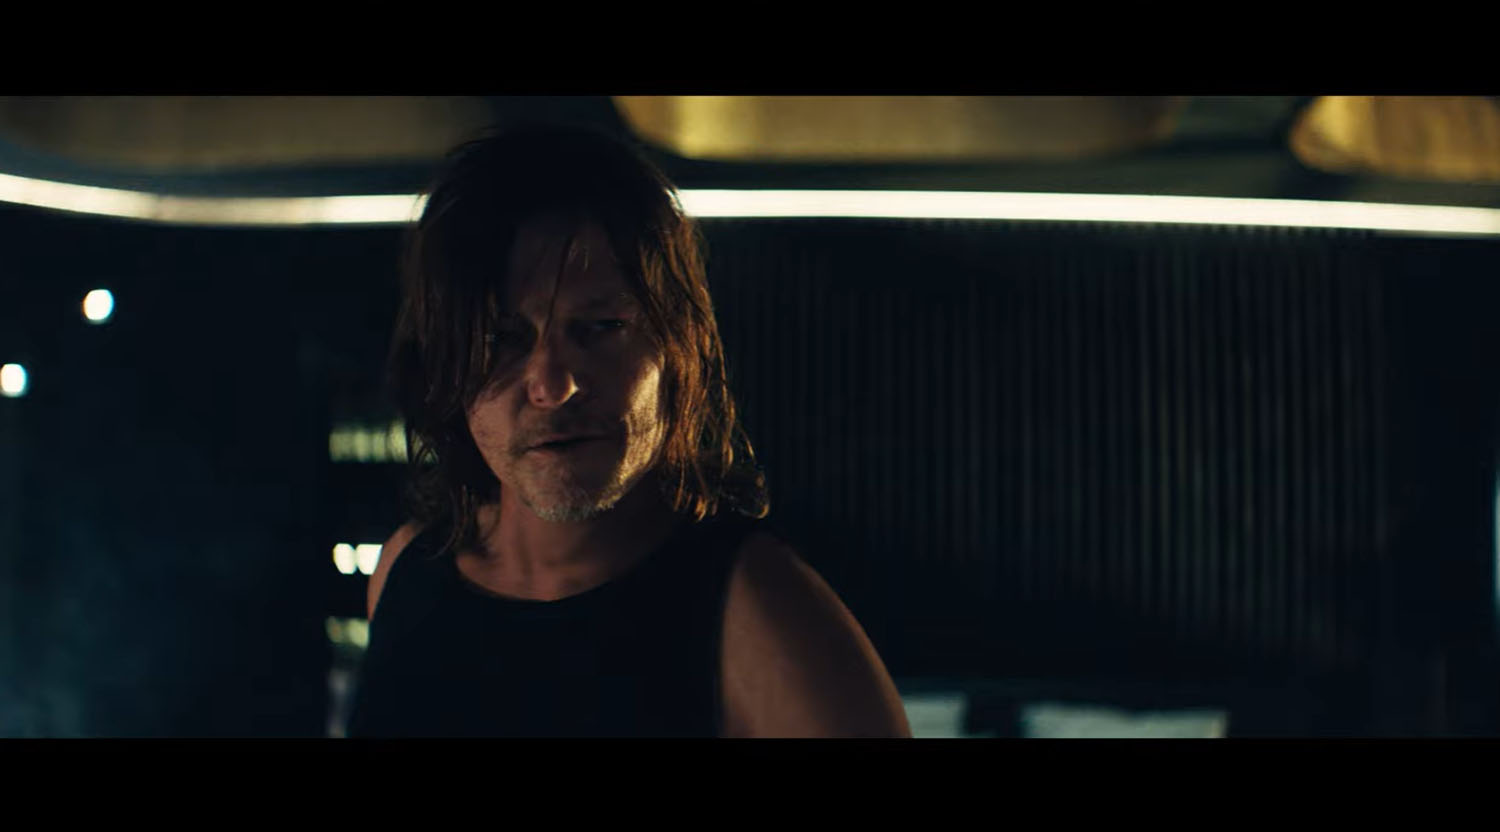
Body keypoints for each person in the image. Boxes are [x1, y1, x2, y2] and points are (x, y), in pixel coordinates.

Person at [345, 124, 910, 738]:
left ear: (675, 344)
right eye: (501, 340)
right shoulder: (407, 570)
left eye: (601, 327)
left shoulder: (759, 613)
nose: (553, 384)